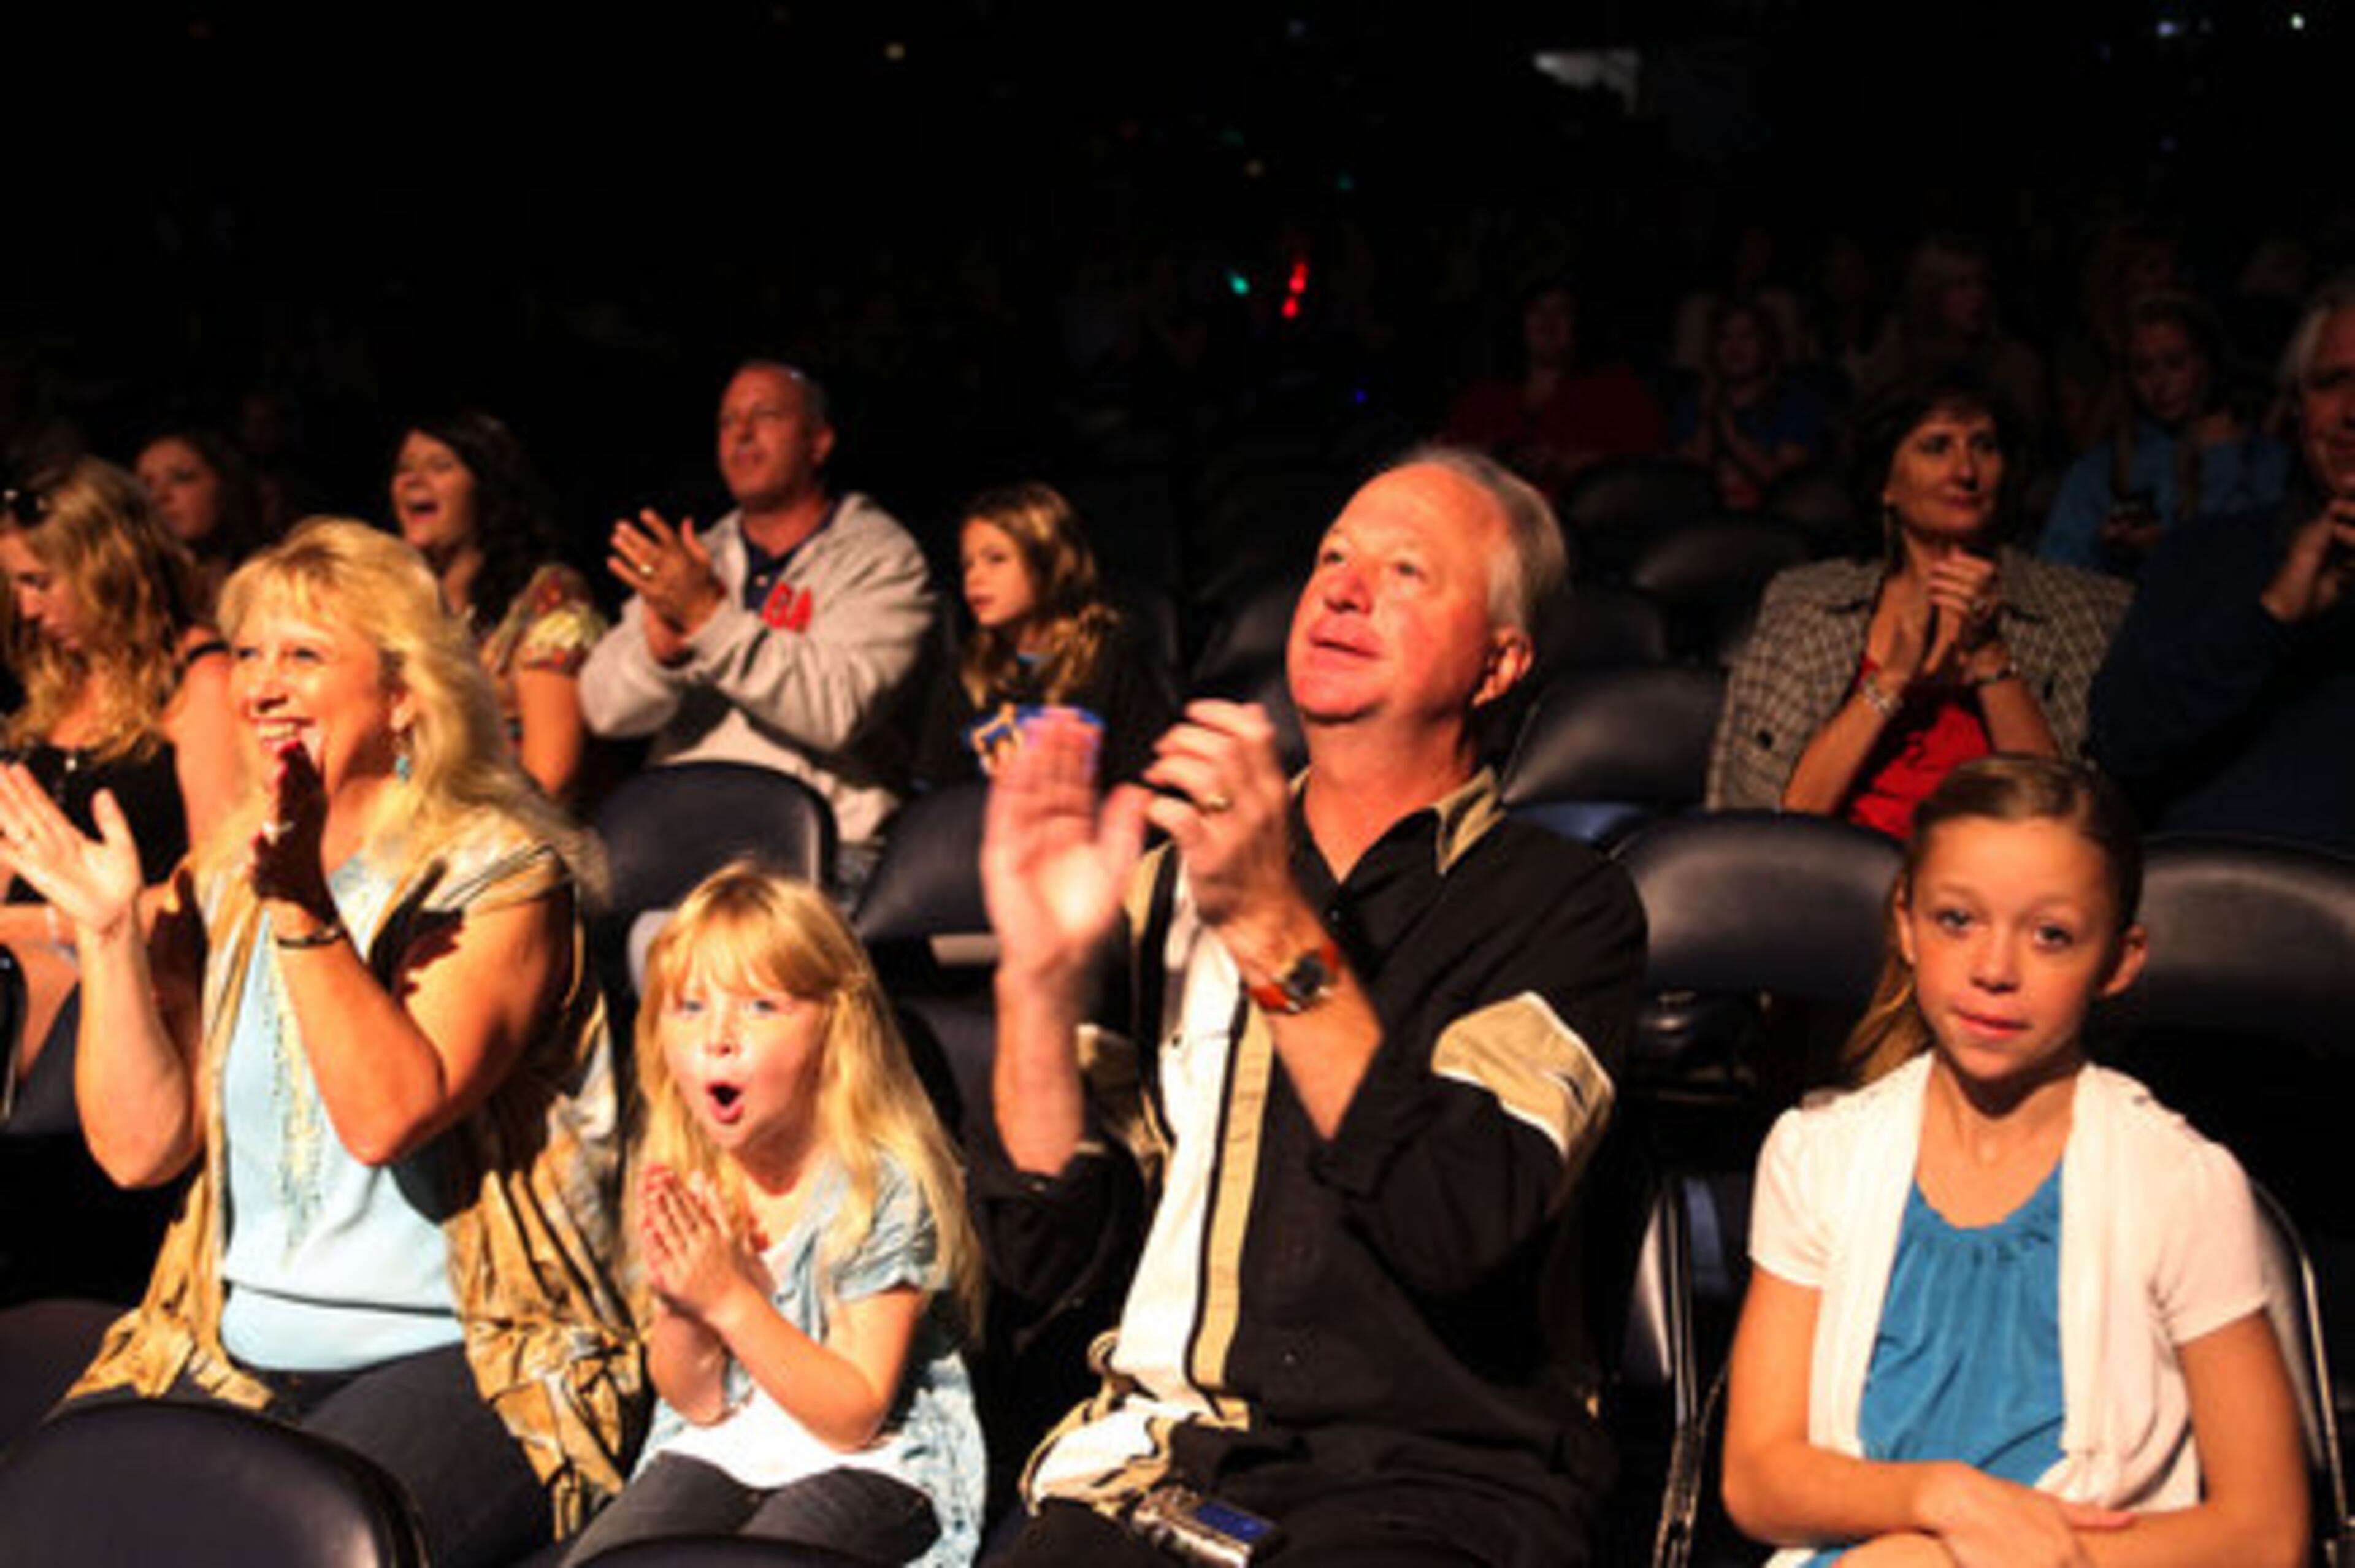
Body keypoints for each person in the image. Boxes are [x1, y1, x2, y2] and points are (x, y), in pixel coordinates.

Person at [971, 447, 1645, 1566]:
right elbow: (1044, 1262)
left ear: (1499, 662)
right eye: (1334, 557)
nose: (1341, 586)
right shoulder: (1167, 883)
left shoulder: (1563, 905)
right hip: (1162, 1460)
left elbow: (1453, 1222)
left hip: (1432, 1484)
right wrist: (1036, 981)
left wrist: (1275, 932)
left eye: (1406, 571)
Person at [0, 519, 639, 1566]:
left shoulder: (498, 872)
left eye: (303, 653)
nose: (258, 685)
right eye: (249, 652)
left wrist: (301, 903)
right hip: (226, 1335)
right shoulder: (220, 879)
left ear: (402, 694)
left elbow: (387, 1112)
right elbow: (139, 1150)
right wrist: (111, 939)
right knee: (54, 1520)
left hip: (466, 1350)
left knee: (272, 1542)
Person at [1721, 755, 2308, 1567]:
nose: (1996, 969)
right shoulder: (1819, 1156)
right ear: (1906, 923)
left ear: (2119, 959)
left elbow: (2265, 1531)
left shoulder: (2178, 1183)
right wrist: (1943, 1502)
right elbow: (1759, 1478)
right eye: (1958, 920)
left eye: (2052, 936)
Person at [560, 865, 985, 1567]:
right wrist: (684, 1304)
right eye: (689, 1007)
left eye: (760, 1007)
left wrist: (729, 1300)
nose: (717, 1038)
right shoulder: (686, 1167)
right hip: (725, 1442)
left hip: (873, 1461)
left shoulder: (881, 1185)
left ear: (834, 1030)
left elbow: (854, 1414)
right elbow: (696, 1402)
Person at [1707, 372, 2131, 838]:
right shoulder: (1807, 602)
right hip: (1838, 885)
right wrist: (1890, 680)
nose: (1966, 471)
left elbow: (2064, 825)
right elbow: (1780, 823)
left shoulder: (2078, 607)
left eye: (1985, 446)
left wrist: (1990, 655)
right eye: (1937, 447)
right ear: (1885, 483)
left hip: (2005, 888)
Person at [578, 361, 935, 893]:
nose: (742, 434)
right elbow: (603, 707)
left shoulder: (880, 557)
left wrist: (709, 622)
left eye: (765, 415)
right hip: (682, 844)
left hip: (822, 856)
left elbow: (838, 709)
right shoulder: (698, 557)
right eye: (728, 422)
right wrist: (660, 659)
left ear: (818, 441)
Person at [2088, 271, 2355, 854]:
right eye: (2333, 383)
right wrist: (2273, 614)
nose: (2352, 412)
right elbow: (2121, 739)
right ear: (2297, 407)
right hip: (2208, 920)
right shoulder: (2205, 553)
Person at [0, 456, 242, 1075]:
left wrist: (35, 923)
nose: (28, 610)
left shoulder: (201, 682)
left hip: (130, 968)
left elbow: (217, 887)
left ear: (105, 564)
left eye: (41, 582)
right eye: (18, 586)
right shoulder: (55, 685)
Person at [389, 410, 606, 804]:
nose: (412, 479)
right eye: (403, 468)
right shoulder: (395, 607)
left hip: (514, 840)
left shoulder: (550, 597)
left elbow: (549, 779)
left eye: (440, 466)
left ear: (485, 489)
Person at [916, 481, 1173, 789]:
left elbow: (1145, 780)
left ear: (1048, 563)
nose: (975, 578)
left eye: (996, 559)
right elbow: (936, 798)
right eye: (967, 565)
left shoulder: (1111, 657)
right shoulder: (967, 673)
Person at [2039, 294, 2288, 577]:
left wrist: (2222, 462)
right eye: (2143, 369)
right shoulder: (2100, 469)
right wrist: (2108, 551)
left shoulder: (2259, 456)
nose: (2159, 384)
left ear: (2205, 363)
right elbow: (2057, 569)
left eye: (2175, 363)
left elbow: (2252, 559)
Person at [1442, 280, 1666, 503]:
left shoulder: (1615, 391)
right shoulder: (1485, 397)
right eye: (1538, 311)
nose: (1549, 323)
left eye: (1562, 312)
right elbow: (1448, 455)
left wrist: (1565, 463)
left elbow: (1647, 464)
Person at [1671, 297, 1831, 513]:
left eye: (1747, 337)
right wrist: (1708, 417)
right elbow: (1687, 478)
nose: (1734, 347)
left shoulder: (1791, 402)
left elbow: (1788, 485)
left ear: (1767, 345)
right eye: (1725, 338)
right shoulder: (1695, 401)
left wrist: (1731, 435)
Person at [135, 427, 267, 614]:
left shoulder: (270, 584)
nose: (159, 495)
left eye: (182, 478)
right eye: (146, 485)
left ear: (225, 485)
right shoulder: (137, 599)